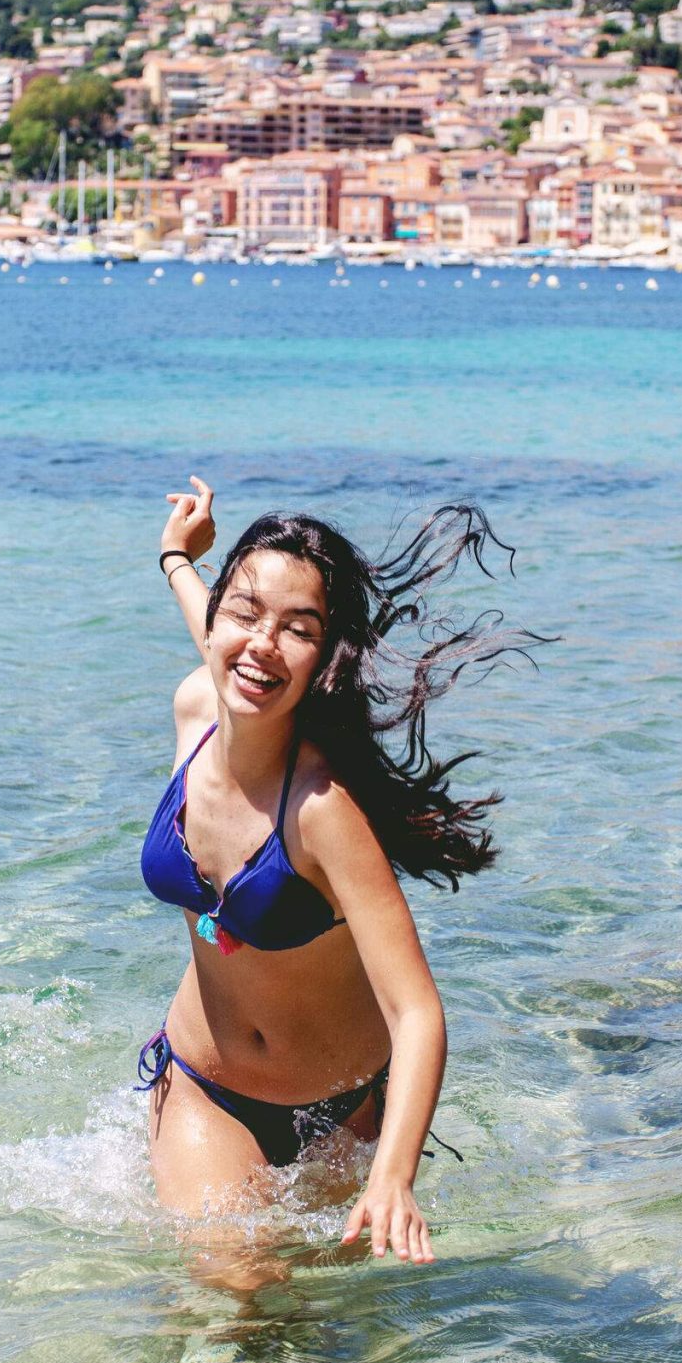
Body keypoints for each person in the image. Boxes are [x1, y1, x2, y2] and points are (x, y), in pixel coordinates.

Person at [140, 476, 538, 1272]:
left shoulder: (323, 811)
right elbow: (233, 652)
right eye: (245, 611)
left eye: (299, 629)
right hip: (201, 1084)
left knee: (320, 1320)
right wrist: (176, 557)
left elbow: (417, 1010)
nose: (262, 644)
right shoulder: (197, 708)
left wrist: (393, 1177)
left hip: (341, 1112)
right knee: (239, 1291)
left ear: (326, 657)